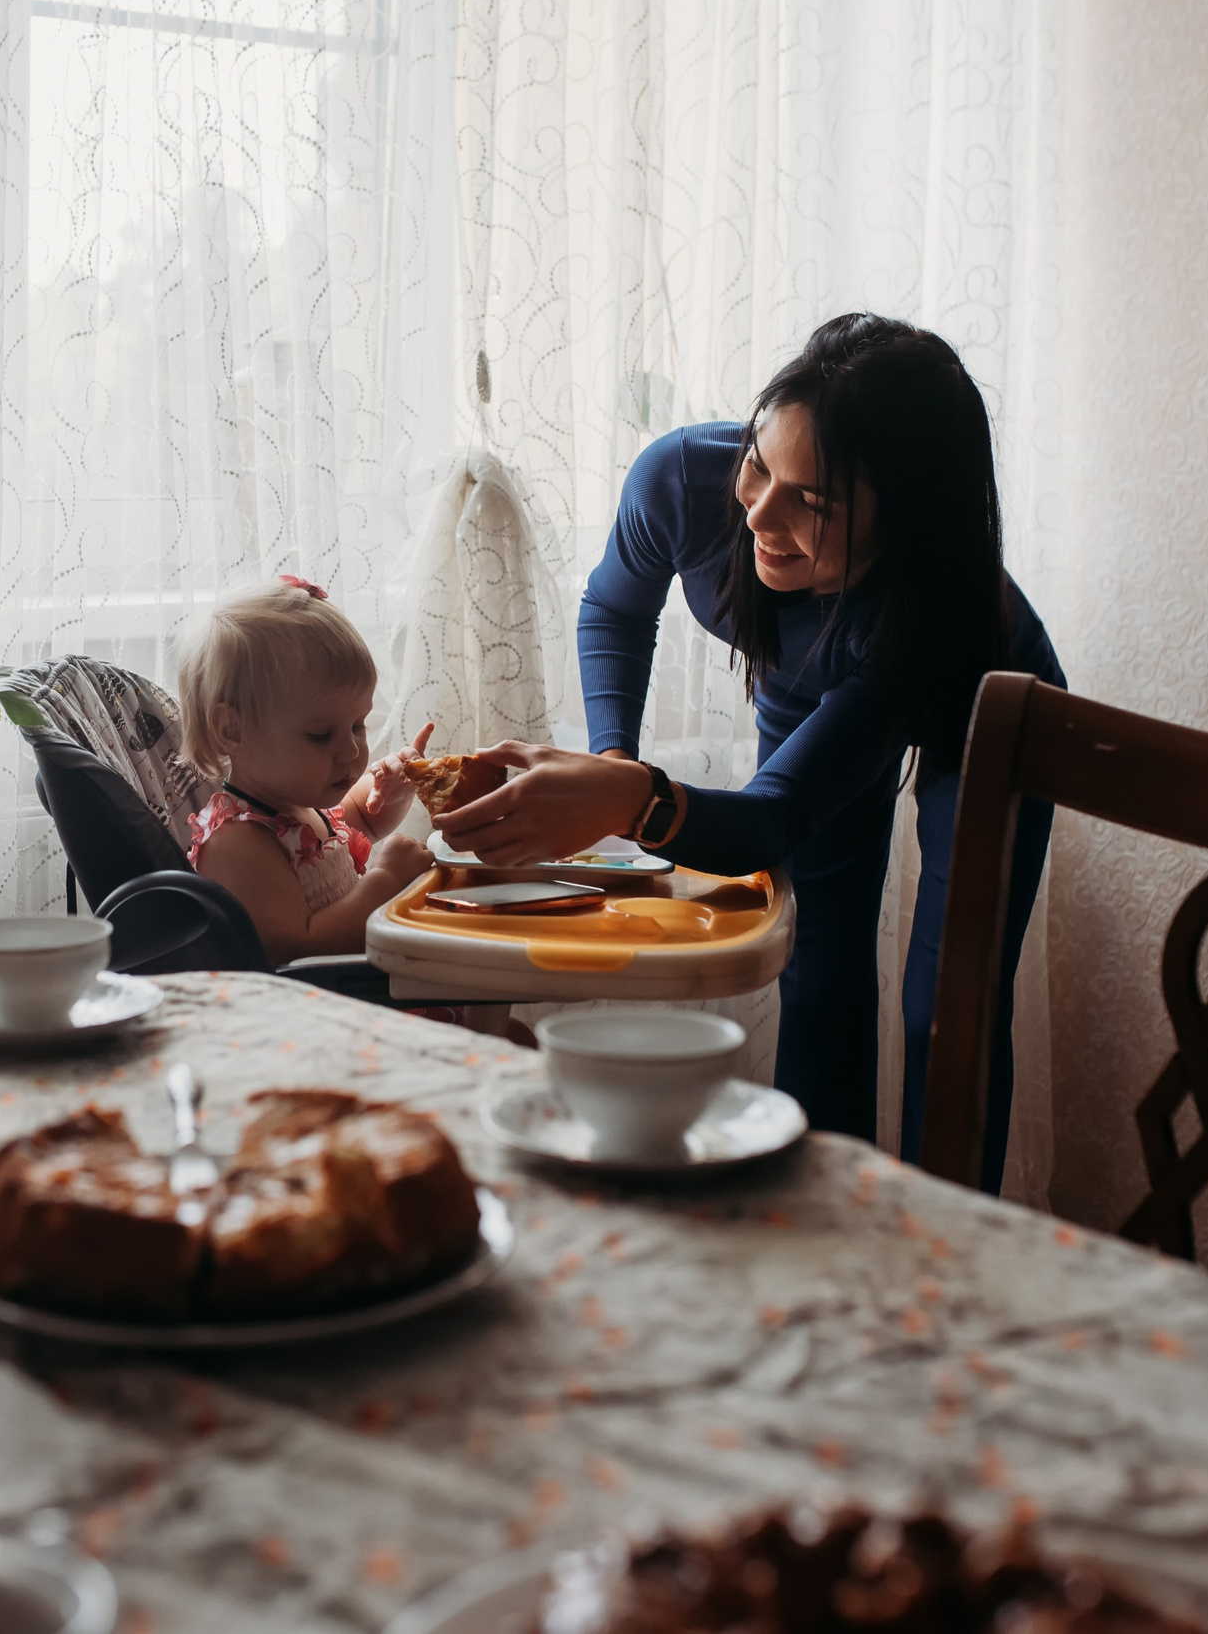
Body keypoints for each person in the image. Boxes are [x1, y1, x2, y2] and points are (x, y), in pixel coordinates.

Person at [433, 314, 1060, 1192]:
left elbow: (769, 821)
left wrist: (626, 799)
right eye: (761, 466)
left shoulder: (916, 622)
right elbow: (615, 609)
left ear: (902, 523)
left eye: (814, 501)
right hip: (819, 676)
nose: (758, 513)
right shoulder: (682, 478)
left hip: (977, 700)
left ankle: (943, 1251)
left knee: (946, 1013)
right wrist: (615, 761)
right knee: (820, 970)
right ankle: (819, 1222)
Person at [179, 577, 438, 963]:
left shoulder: (299, 804)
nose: (351, 750)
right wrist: (388, 881)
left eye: (357, 725)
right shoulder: (239, 843)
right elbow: (305, 949)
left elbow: (364, 820)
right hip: (324, 1010)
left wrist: (394, 791)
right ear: (233, 730)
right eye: (321, 735)